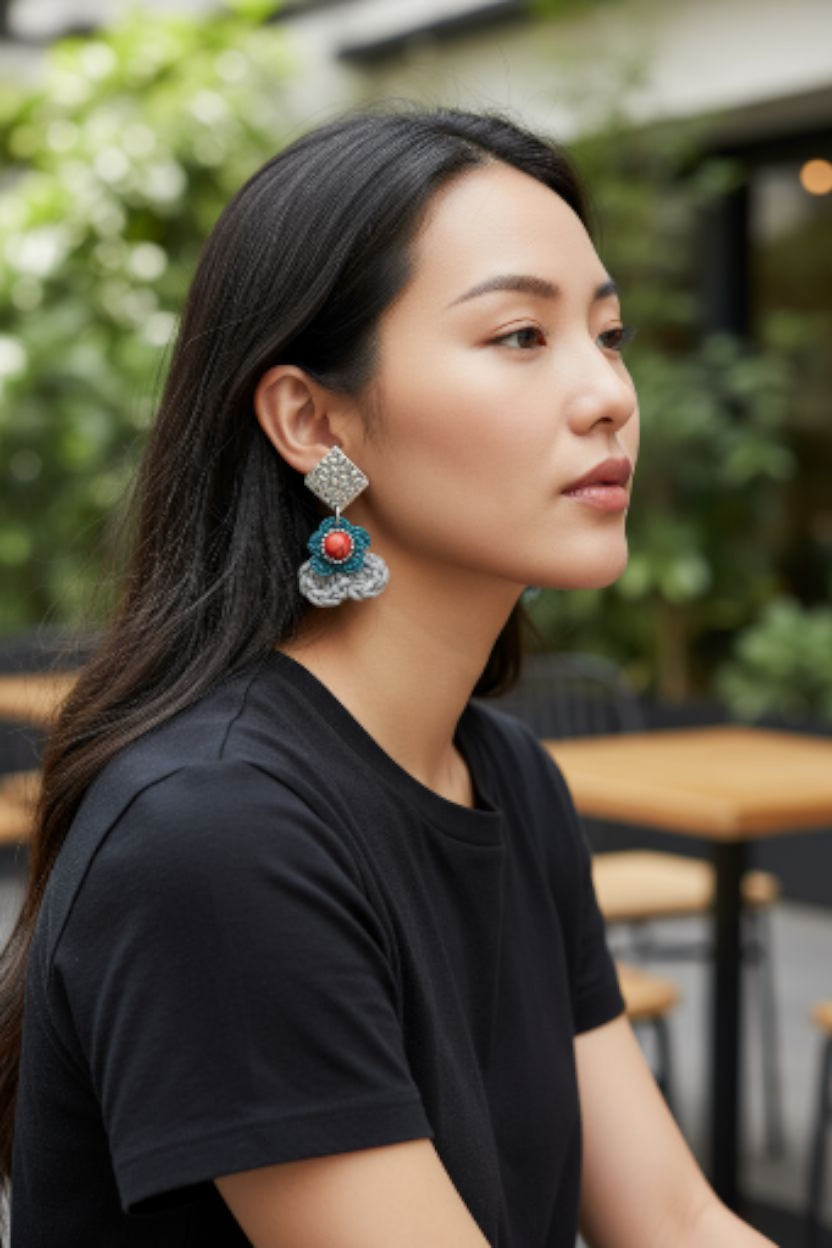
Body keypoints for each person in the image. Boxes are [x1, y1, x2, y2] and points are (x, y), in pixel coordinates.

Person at [0, 104, 776, 1247]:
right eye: (520, 335)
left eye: (606, 336)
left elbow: (672, 1218)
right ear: (313, 422)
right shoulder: (215, 833)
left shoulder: (505, 773)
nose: (610, 394)